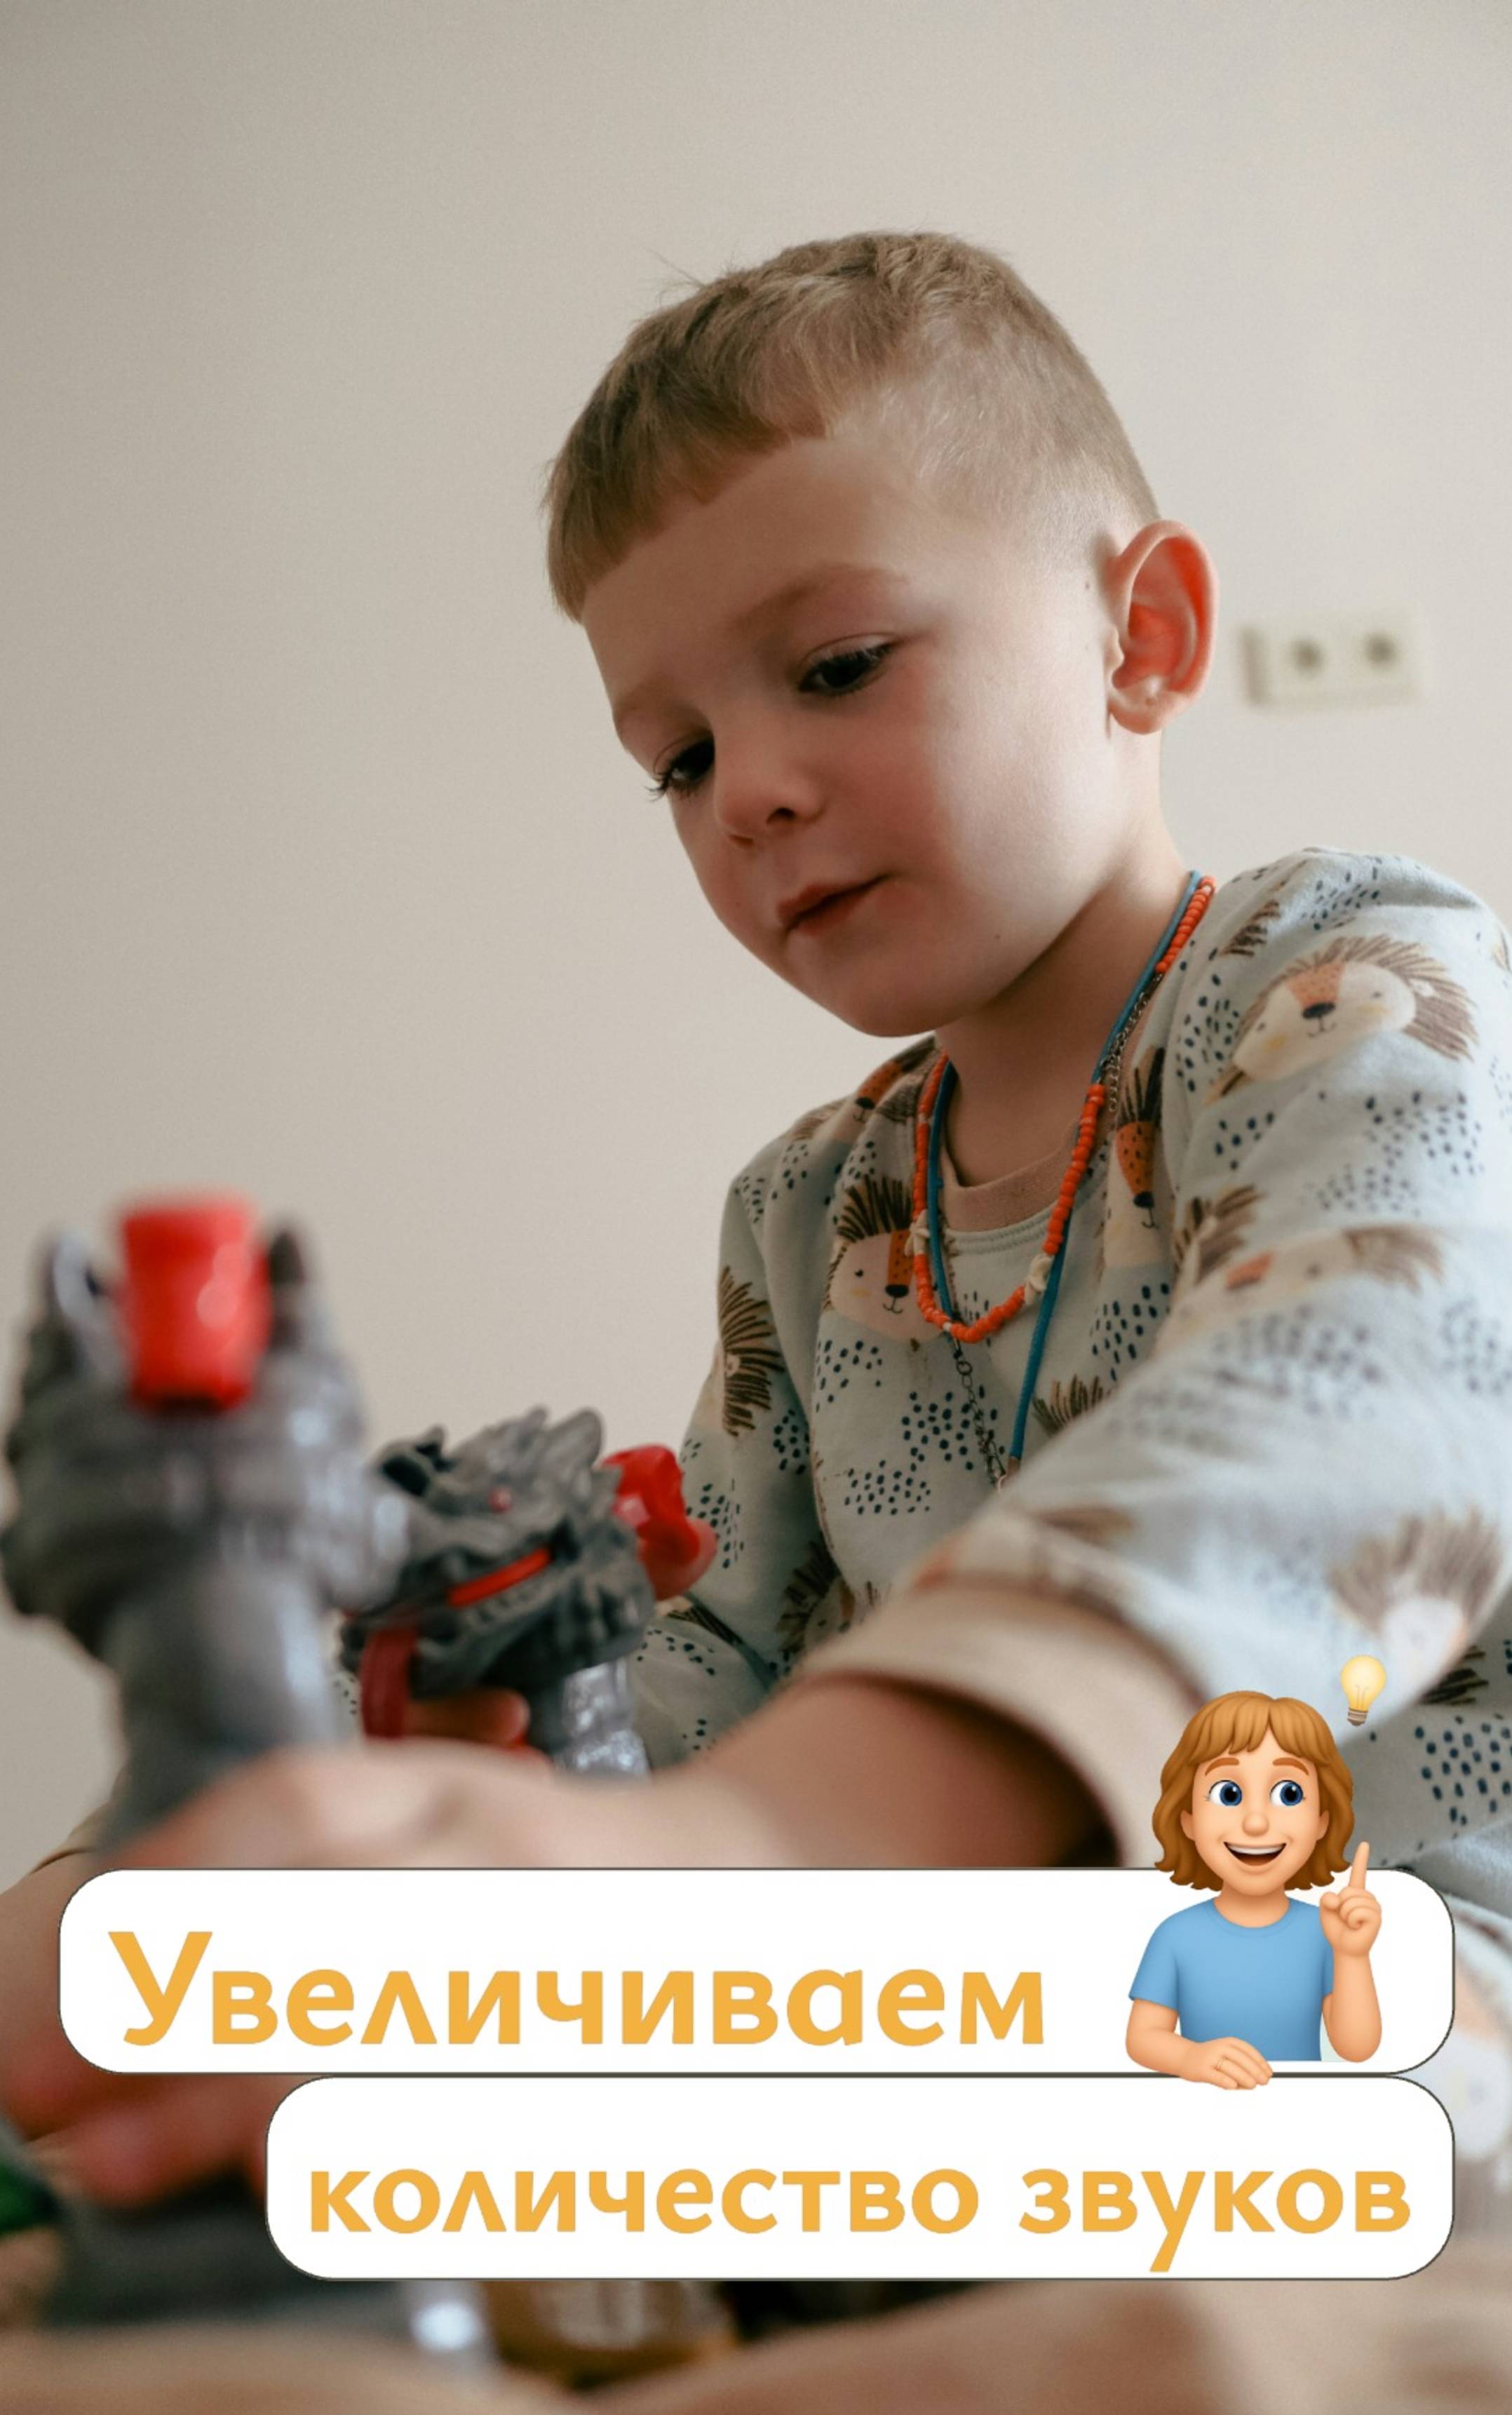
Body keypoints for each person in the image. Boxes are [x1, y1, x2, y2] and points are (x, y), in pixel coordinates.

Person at [5, 225, 1512, 2211]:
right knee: (197, 1973)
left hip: (1397, 1963)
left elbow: (1375, 1397)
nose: (752, 794)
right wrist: (481, 1773)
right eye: (682, 757)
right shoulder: (810, 1212)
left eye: (837, 668)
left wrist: (786, 1838)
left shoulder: (1352, 986)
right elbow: (718, 1657)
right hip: (955, 1980)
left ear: (1139, 634)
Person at [1126, 1689, 1381, 2083]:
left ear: (1322, 1822)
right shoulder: (1176, 1935)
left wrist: (1353, 1955)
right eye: (1229, 1794)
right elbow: (1142, 2038)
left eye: (1289, 1794)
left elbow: (1357, 2047)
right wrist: (1191, 2058)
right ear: (1188, 1819)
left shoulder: (1325, 1934)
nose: (1256, 1822)